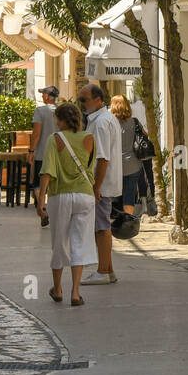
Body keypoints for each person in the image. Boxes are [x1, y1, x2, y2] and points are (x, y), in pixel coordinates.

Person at [36, 102, 97, 306]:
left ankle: (58, 288)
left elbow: (47, 171)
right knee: (80, 242)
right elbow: (91, 168)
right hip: (85, 195)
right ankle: (76, 292)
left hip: (60, 196)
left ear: (60, 120)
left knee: (59, 242)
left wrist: (40, 200)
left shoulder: (55, 140)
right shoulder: (90, 138)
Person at [77, 83, 120, 285]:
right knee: (102, 225)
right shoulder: (104, 119)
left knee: (101, 227)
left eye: (84, 100)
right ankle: (108, 269)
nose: (81, 104)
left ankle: (103, 270)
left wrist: (96, 187)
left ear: (97, 100)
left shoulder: (101, 122)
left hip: (100, 184)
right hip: (103, 182)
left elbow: (102, 158)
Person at [109, 94, 145, 237]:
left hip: (115, 165)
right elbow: (144, 136)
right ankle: (127, 224)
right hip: (132, 164)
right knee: (129, 193)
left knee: (113, 194)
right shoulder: (134, 122)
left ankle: (111, 223)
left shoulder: (110, 123)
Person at [30, 85, 59, 226]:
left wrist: (31, 151)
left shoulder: (40, 111)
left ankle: (42, 209)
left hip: (42, 153)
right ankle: (53, 210)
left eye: (43, 94)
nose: (42, 96)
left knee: (38, 184)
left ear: (47, 96)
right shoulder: (61, 111)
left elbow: (36, 134)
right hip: (59, 155)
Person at [130, 95, 157, 217]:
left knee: (139, 177)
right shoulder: (149, 108)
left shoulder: (132, 110)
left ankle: (142, 203)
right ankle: (152, 204)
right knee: (149, 175)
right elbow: (147, 132)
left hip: (134, 151)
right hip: (145, 150)